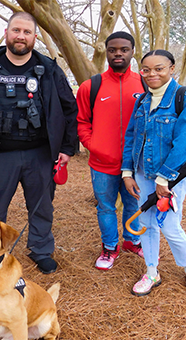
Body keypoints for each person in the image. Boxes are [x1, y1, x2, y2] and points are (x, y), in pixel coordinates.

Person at [0, 12, 78, 274]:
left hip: (40, 153)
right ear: (6, 33)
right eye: (16, 30)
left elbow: (70, 109)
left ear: (35, 37)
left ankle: (41, 249)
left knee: (42, 205)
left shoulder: (49, 70)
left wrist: (67, 148)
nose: (21, 36)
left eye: (27, 32)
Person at [121, 49, 186, 298]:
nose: (151, 74)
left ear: (172, 69)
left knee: (170, 226)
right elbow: (131, 137)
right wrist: (127, 172)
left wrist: (164, 178)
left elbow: (185, 143)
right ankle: (151, 272)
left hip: (171, 178)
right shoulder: (142, 101)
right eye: (146, 70)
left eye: (159, 68)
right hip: (141, 173)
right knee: (147, 224)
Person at [75, 32, 145, 271]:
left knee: (133, 204)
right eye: (113, 49)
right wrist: (93, 145)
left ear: (132, 52)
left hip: (135, 165)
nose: (118, 53)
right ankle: (109, 247)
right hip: (102, 163)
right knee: (105, 206)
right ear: (107, 52)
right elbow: (82, 121)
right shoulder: (91, 86)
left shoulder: (145, 84)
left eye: (124, 49)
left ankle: (133, 241)